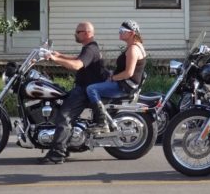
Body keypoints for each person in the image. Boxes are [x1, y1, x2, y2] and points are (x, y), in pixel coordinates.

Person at [39, 21, 108, 164]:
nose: (75, 34)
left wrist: (54, 59)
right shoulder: (88, 48)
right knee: (60, 105)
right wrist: (59, 55)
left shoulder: (90, 49)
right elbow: (78, 59)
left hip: (85, 90)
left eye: (78, 32)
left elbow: (77, 65)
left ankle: (57, 154)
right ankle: (65, 144)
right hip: (83, 87)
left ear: (87, 33)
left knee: (64, 116)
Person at [86, 20, 147, 132]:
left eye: (122, 31)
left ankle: (101, 122)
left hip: (124, 86)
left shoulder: (133, 49)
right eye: (119, 30)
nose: (120, 32)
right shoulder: (135, 47)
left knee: (91, 89)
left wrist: (113, 78)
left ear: (132, 33)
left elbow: (129, 73)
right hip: (125, 83)